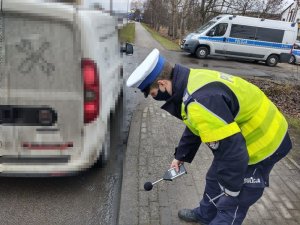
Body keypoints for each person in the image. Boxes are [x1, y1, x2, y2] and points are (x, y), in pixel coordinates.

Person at [126, 49, 292, 225]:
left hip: (264, 142)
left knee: (232, 203)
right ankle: (205, 214)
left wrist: (231, 190)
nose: (156, 99)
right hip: (239, 139)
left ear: (162, 84)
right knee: (214, 178)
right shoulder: (190, 82)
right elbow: (198, 125)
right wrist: (180, 156)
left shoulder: (199, 102)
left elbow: (233, 154)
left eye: (153, 94)